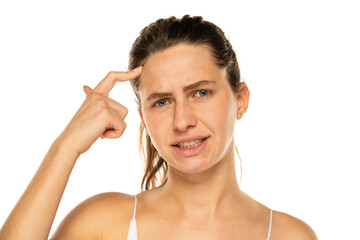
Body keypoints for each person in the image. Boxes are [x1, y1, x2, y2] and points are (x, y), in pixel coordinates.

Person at [0, 15, 317, 240]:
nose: (182, 121)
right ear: (143, 117)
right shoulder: (104, 224)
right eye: (162, 102)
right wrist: (66, 146)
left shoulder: (290, 236)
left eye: (200, 93)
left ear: (241, 100)